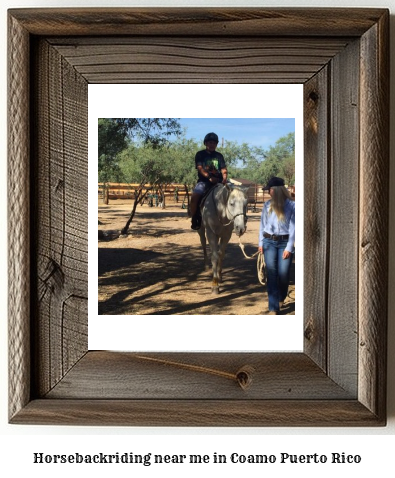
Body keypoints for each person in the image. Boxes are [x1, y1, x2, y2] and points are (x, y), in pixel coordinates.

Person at [258, 177, 295, 315]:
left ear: (278, 190)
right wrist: (261, 243)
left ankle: (281, 296)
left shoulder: (292, 206)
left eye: (270, 190)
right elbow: (263, 225)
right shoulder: (267, 205)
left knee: (284, 274)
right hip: (269, 242)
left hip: (285, 242)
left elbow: (294, 228)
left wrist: (289, 247)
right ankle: (273, 307)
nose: (269, 192)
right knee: (272, 274)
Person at [190, 132, 228, 230]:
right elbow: (200, 168)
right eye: (210, 142)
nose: (212, 145)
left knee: (234, 194)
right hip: (204, 181)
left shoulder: (219, 156)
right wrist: (209, 177)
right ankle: (194, 217)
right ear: (206, 143)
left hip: (219, 181)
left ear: (216, 144)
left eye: (214, 143)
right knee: (195, 197)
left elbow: (223, 169)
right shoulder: (200, 154)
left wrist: (224, 178)